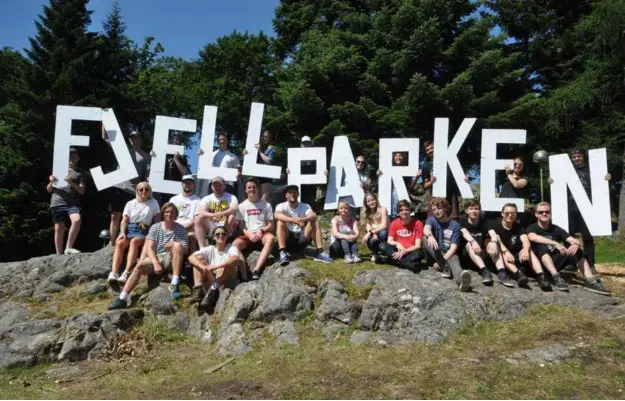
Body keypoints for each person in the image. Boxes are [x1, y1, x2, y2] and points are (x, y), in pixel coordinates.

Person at [109, 202, 188, 309]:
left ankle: (175, 283)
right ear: (163, 214)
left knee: (178, 245)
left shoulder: (181, 229)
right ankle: (122, 298)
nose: (169, 214)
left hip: (171, 257)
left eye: (172, 212)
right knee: (139, 266)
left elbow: (185, 249)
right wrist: (155, 263)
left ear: (176, 214)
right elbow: (150, 248)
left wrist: (174, 244)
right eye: (167, 212)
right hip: (158, 256)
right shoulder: (155, 227)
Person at [550, 148, 612, 276]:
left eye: (579, 156)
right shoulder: (566, 172)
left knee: (588, 237)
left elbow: (602, 186)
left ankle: (590, 264)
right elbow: (557, 185)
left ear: (583, 157)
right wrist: (552, 180)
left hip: (588, 208)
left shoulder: (592, 170)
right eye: (574, 157)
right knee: (569, 237)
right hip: (570, 208)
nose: (577, 159)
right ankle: (572, 264)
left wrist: (606, 178)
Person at [527, 202, 610, 295]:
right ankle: (556, 277)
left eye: (547, 211)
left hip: (554, 261)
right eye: (541, 212)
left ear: (550, 213)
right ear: (536, 214)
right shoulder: (532, 228)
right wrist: (554, 243)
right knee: (541, 246)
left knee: (576, 251)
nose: (544, 214)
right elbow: (532, 237)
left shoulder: (555, 228)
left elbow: (572, 239)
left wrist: (575, 244)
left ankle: (591, 281)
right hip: (540, 266)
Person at [100, 119, 151, 245]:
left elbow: (147, 176)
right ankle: (111, 243)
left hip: (133, 191)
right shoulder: (123, 151)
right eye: (132, 138)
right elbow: (105, 137)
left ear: (140, 139)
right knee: (115, 215)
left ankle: (128, 240)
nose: (134, 140)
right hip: (119, 187)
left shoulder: (145, 156)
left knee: (130, 218)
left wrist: (141, 187)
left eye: (136, 138)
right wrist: (104, 119)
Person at [485, 203, 552, 291]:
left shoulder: (519, 227)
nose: (510, 215)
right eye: (507, 213)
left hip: (514, 256)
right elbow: (495, 238)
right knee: (497, 247)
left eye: (513, 213)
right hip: (499, 256)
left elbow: (525, 240)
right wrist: (506, 252)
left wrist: (525, 250)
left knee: (529, 250)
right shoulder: (493, 223)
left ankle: (541, 277)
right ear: (502, 213)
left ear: (516, 215)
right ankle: (518, 274)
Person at [106, 182, 161, 289]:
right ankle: (114, 272)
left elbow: (157, 221)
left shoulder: (153, 203)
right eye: (141, 189)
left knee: (134, 241)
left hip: (144, 229)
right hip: (130, 229)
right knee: (120, 243)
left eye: (146, 189)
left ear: (150, 191)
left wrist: (153, 234)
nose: (144, 191)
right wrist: (122, 232)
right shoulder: (130, 203)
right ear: (137, 191)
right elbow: (124, 220)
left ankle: (126, 272)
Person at [274, 185, 333, 265]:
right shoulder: (281, 206)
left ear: (298, 194)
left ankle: (320, 252)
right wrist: (293, 220)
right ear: (286, 195)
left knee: (314, 221)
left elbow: (313, 215)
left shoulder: (305, 206)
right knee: (280, 222)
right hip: (288, 239)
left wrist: (303, 219)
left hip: (301, 238)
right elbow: (277, 215)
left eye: (294, 192)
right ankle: (283, 252)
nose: (292, 194)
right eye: (290, 193)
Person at [187, 225, 240, 314]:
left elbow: (234, 258)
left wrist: (216, 267)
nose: (221, 236)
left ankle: (213, 291)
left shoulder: (231, 247)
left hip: (226, 281)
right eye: (218, 234)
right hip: (213, 280)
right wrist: (201, 265)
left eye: (223, 234)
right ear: (214, 237)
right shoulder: (210, 248)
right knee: (199, 261)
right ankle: (198, 290)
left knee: (227, 265)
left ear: (227, 236)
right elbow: (191, 257)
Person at [422, 198, 472, 292]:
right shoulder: (431, 220)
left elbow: (453, 248)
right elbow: (426, 228)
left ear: (445, 208)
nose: (436, 211)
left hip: (448, 254)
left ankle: (462, 281)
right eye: (434, 210)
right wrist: (430, 236)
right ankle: (445, 266)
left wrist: (443, 260)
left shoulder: (455, 225)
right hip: (434, 254)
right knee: (424, 238)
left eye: (439, 208)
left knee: (454, 259)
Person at [233, 178, 276, 280]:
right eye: (249, 187)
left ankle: (256, 270)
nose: (251, 189)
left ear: (258, 189)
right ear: (245, 190)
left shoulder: (266, 204)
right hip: (248, 235)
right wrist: (249, 234)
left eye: (253, 187)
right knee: (234, 246)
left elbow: (271, 224)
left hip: (262, 233)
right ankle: (244, 276)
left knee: (271, 239)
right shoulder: (242, 206)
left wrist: (261, 231)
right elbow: (241, 226)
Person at [47, 147, 86, 255]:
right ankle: (58, 254)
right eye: (70, 155)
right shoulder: (58, 170)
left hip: (72, 203)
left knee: (77, 220)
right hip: (57, 202)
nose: (72, 157)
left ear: (78, 158)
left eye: (74, 155)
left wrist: (71, 183)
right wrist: (51, 182)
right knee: (59, 228)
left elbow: (82, 191)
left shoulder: (80, 173)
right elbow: (49, 189)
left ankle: (68, 247)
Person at [378, 200, 424, 270]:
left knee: (419, 255)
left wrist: (405, 251)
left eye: (406, 210)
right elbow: (389, 240)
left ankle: (388, 260)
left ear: (410, 211)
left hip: (411, 251)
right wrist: (397, 244)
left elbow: (418, 245)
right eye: (401, 210)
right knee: (382, 245)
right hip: (398, 250)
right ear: (398, 212)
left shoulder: (418, 223)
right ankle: (408, 264)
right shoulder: (394, 223)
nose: (404, 212)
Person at [194, 176, 239, 248]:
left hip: (225, 225)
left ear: (224, 186)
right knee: (198, 218)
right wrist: (213, 215)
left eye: (220, 185)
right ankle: (202, 248)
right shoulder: (207, 198)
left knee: (232, 217)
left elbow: (235, 208)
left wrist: (222, 214)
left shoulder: (231, 197)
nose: (217, 187)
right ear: (211, 187)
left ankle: (226, 241)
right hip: (211, 225)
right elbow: (201, 211)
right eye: (215, 185)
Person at [459, 200, 495, 285]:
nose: (474, 211)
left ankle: (502, 272)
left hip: (481, 252)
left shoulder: (485, 221)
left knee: (494, 243)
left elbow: (492, 232)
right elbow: (465, 233)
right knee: (469, 244)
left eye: (476, 209)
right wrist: (473, 242)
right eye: (471, 209)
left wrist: (493, 242)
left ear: (479, 210)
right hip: (468, 255)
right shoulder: (462, 220)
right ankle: (485, 271)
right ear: (466, 211)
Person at [169, 175, 201, 254]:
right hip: (174, 227)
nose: (187, 185)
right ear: (182, 184)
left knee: (192, 237)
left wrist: (183, 228)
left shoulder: (198, 200)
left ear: (194, 185)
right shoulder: (173, 199)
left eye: (190, 183)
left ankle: (192, 261)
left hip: (189, 229)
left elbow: (196, 219)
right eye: (185, 183)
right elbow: (169, 216)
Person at [499, 156, 532, 226]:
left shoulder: (524, 178)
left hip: (516, 207)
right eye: (515, 164)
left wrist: (508, 174)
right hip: (502, 205)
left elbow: (517, 185)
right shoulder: (504, 177)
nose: (517, 166)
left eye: (520, 165)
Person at [361, 193, 389, 258]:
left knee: (383, 233)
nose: (371, 202)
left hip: (385, 233)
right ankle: (376, 252)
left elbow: (383, 226)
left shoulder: (383, 209)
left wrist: (371, 232)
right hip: (375, 233)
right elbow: (368, 227)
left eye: (373, 200)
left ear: (376, 200)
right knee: (371, 240)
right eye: (368, 201)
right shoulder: (366, 213)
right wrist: (373, 234)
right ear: (366, 204)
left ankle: (384, 250)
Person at [256, 130, 276, 201]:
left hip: (266, 175)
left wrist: (260, 151)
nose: (264, 138)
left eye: (266, 137)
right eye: (263, 136)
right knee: (256, 198)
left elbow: (268, 161)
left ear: (269, 138)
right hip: (256, 174)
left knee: (264, 199)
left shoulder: (271, 148)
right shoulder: (255, 147)